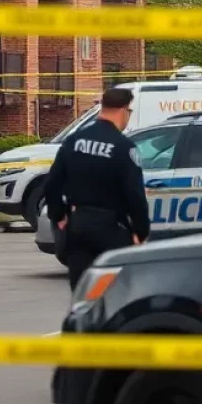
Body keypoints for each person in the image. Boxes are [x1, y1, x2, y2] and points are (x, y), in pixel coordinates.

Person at [44, 87, 151, 289]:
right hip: (111, 228)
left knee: (81, 290)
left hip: (78, 225)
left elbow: (52, 184)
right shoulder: (123, 147)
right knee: (117, 290)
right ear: (124, 110)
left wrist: (59, 216)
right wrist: (141, 231)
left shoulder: (73, 141)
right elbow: (135, 195)